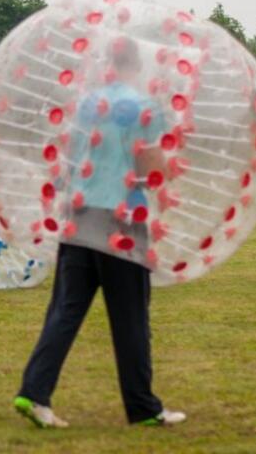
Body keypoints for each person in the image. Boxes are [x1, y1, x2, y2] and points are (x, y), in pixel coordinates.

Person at [13, 37, 186, 428]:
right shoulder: (144, 107)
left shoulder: (88, 105)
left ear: (108, 63)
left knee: (66, 309)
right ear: (137, 65)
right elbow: (149, 165)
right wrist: (172, 169)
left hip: (80, 213)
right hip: (122, 218)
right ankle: (143, 407)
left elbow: (72, 159)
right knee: (131, 316)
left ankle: (34, 393)